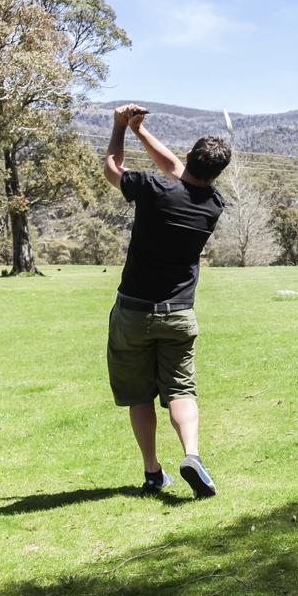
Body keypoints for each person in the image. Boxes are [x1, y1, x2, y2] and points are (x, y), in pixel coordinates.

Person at [102, 104, 229, 497]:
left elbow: (112, 169)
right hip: (179, 314)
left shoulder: (153, 189)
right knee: (181, 390)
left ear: (190, 156)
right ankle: (192, 455)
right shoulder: (213, 204)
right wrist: (142, 132)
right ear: (216, 173)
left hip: (134, 312)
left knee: (139, 395)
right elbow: (178, 169)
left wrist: (120, 127)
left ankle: (153, 472)